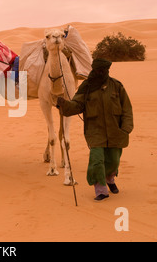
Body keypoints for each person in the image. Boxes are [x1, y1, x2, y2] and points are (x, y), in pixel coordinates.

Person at [56, 58, 134, 201]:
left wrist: (126, 128)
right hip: (95, 131)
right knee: (97, 160)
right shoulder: (87, 87)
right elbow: (77, 105)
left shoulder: (117, 86)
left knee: (113, 161)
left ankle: (110, 179)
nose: (101, 73)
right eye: (98, 70)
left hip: (116, 131)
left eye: (103, 70)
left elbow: (127, 108)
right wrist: (64, 105)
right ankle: (101, 190)